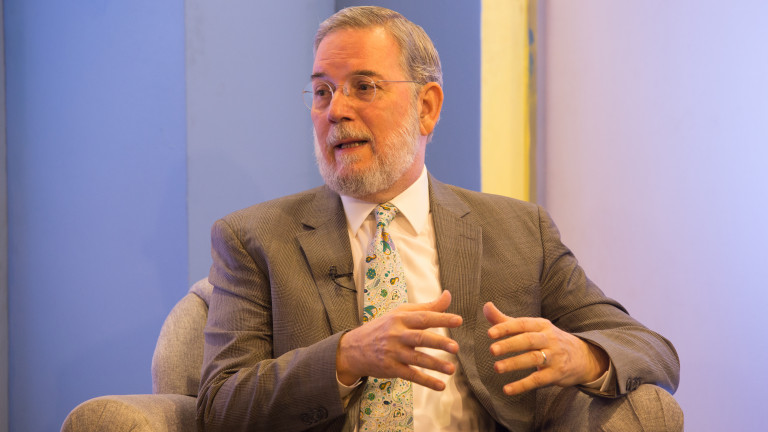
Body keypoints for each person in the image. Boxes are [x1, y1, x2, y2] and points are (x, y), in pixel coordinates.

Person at [197, 6, 679, 431]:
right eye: (323, 91)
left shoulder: (520, 230)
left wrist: (581, 355)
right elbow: (219, 408)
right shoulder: (254, 238)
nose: (336, 111)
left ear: (426, 108)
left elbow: (648, 349)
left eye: (363, 87)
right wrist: (347, 356)